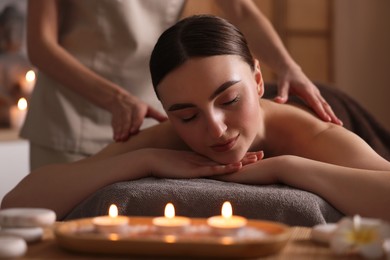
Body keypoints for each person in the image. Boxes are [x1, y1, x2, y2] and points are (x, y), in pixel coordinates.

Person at [3, 15, 384, 222]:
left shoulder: (309, 134)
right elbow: (16, 203)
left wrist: (287, 168)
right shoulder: (167, 140)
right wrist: (143, 160)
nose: (215, 129)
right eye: (186, 116)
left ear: (256, 80)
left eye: (230, 100)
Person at [22, 0, 341, 171]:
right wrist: (115, 99)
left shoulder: (199, 122)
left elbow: (242, 9)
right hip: (70, 117)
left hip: (159, 116)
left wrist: (288, 65)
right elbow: (40, 45)